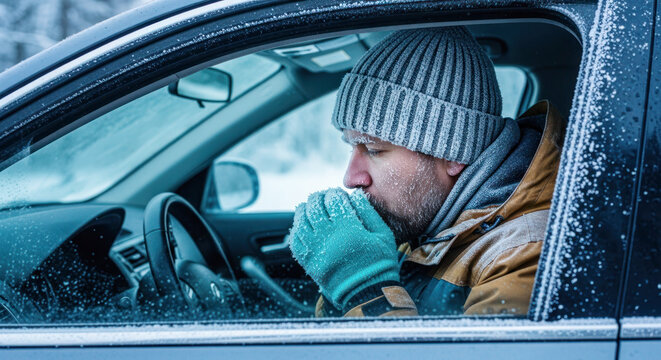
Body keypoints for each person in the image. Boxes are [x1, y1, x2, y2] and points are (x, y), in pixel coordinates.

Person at [288, 27, 565, 317]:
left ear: (453, 152)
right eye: (352, 147)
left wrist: (366, 292)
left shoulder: (528, 253)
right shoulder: (426, 217)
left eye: (373, 150)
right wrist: (341, 284)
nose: (351, 177)